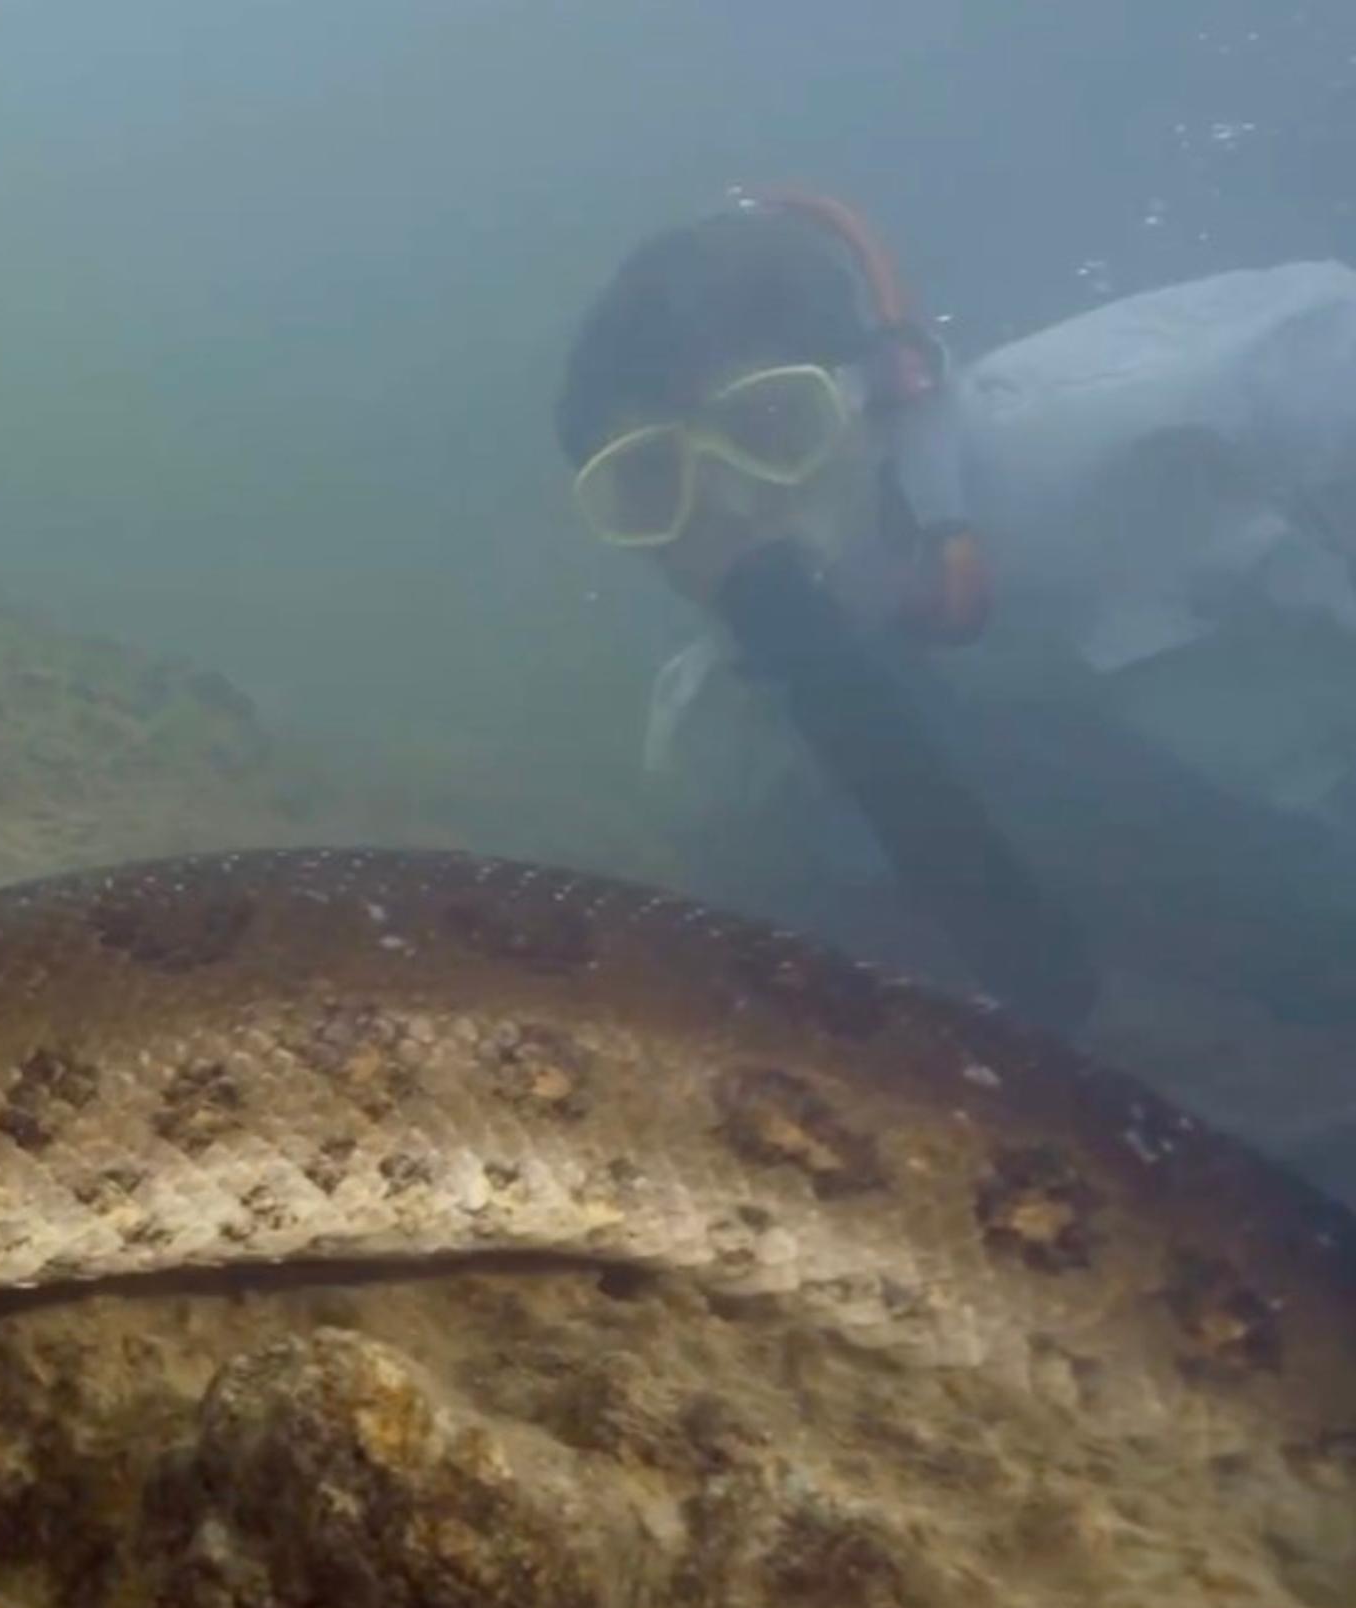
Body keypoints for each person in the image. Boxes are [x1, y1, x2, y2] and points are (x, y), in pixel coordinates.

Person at [555, 191, 1356, 1167]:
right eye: (650, 485)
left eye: (772, 424)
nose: (730, 505)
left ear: (890, 388)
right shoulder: (728, 756)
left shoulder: (1252, 396)